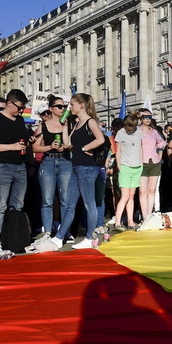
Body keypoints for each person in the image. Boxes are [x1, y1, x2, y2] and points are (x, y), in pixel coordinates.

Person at [0, 88, 30, 252]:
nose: (21, 110)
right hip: (1, 166)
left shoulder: (20, 120)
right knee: (0, 205)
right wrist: (12, 146)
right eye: (18, 107)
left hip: (19, 166)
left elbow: (23, 140)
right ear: (9, 103)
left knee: (17, 205)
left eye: (22, 108)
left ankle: (12, 237)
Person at [30, 95, 74, 242]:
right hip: (48, 161)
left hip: (65, 162)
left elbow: (69, 143)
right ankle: (48, 232)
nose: (63, 109)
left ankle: (64, 230)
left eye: (64, 106)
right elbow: (35, 147)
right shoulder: (43, 125)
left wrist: (66, 146)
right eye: (59, 106)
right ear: (51, 109)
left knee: (65, 199)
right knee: (47, 200)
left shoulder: (67, 123)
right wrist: (50, 146)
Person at [65, 93, 106, 245]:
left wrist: (85, 147)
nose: (70, 107)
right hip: (76, 167)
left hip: (88, 167)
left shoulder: (90, 121)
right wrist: (64, 127)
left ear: (81, 105)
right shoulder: (77, 123)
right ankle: (60, 236)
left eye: (72, 104)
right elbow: (67, 144)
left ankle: (90, 238)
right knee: (70, 203)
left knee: (90, 204)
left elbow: (100, 139)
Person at [114, 112, 144, 229]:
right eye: (128, 127)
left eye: (132, 128)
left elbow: (141, 147)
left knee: (132, 196)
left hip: (137, 167)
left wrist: (141, 163)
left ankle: (130, 221)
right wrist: (119, 165)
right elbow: (118, 151)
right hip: (125, 166)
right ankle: (118, 222)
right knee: (125, 196)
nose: (130, 130)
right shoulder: (120, 133)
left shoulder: (139, 132)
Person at [138, 108, 165, 221]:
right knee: (142, 191)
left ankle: (149, 215)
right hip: (142, 163)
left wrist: (159, 155)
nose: (148, 119)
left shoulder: (154, 132)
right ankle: (144, 217)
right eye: (145, 117)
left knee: (152, 190)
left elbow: (162, 142)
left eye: (149, 117)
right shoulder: (137, 131)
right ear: (140, 118)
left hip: (154, 163)